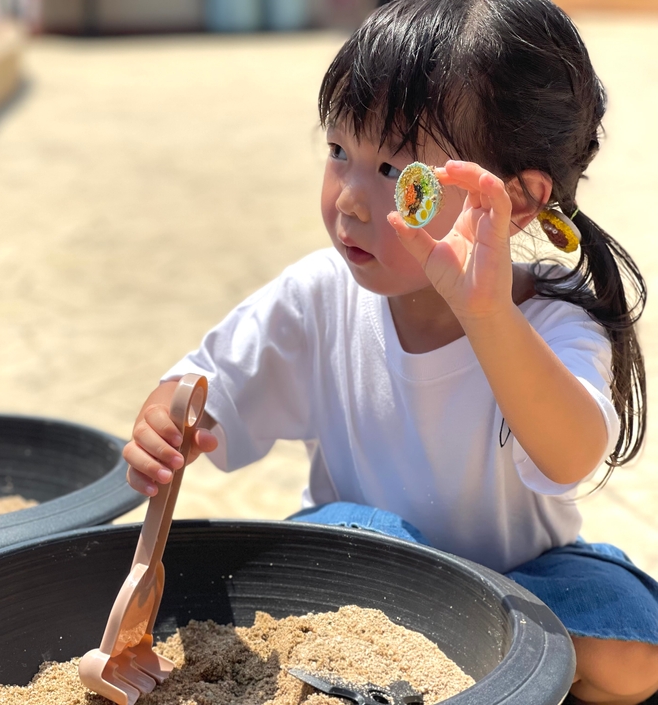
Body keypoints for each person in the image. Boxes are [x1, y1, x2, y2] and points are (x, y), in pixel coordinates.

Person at [122, 0, 658, 702]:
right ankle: (496, 668)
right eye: (340, 151)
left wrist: (487, 311)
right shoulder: (320, 295)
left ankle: (487, 652)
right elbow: (202, 384)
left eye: (396, 175)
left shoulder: (555, 313)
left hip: (518, 579)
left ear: (519, 200)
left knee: (636, 648)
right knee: (347, 534)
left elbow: (572, 454)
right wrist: (167, 421)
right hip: (359, 565)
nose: (349, 198)